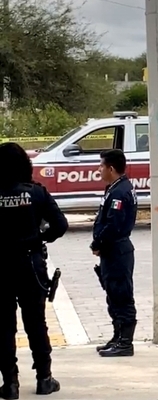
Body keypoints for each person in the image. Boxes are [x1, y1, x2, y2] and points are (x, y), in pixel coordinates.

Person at [0, 142, 68, 398]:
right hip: (30, 264)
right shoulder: (36, 193)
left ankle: (10, 383)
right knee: (36, 323)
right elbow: (60, 225)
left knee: (4, 326)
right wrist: (40, 238)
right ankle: (44, 378)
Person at [91, 149, 138, 358]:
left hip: (117, 250)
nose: (99, 170)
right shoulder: (116, 187)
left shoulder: (119, 192)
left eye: (101, 166)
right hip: (113, 251)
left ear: (111, 168)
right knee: (113, 296)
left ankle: (125, 343)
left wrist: (97, 242)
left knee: (121, 296)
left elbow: (113, 225)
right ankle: (118, 337)